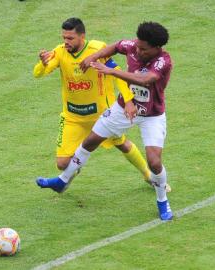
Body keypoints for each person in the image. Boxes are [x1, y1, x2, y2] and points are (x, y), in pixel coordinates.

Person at [37, 21, 174, 220]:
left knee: (154, 162)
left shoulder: (163, 61)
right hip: (120, 109)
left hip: (151, 116)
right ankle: (62, 180)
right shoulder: (133, 46)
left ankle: (162, 201)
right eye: (137, 44)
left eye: (143, 49)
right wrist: (94, 56)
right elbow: (116, 46)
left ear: (156, 48)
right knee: (90, 141)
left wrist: (110, 70)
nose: (137, 50)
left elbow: (146, 80)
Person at [33, 18, 151, 191]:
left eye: (70, 38)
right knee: (61, 163)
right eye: (64, 37)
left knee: (122, 143)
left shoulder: (97, 50)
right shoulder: (59, 52)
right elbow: (38, 73)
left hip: (102, 116)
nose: (66, 41)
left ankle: (149, 175)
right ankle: (70, 174)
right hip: (73, 117)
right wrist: (42, 64)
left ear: (82, 36)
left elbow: (118, 74)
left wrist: (127, 101)